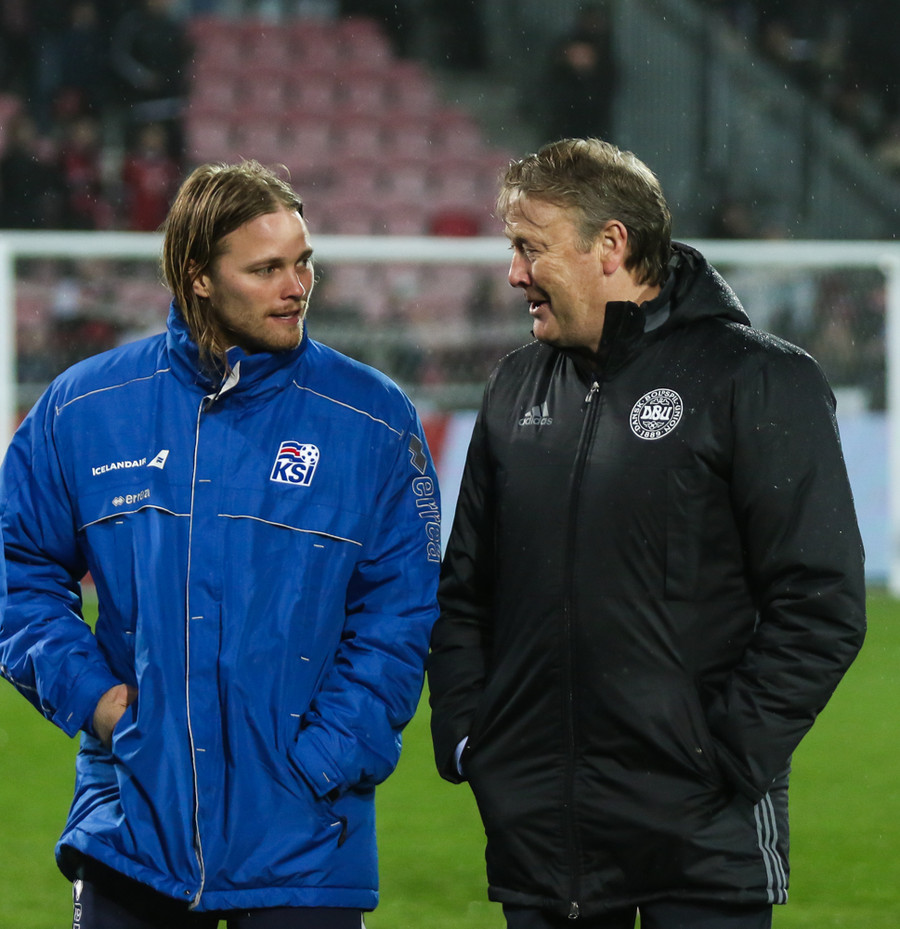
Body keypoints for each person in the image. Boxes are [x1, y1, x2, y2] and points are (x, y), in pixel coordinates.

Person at [428, 137, 866, 929]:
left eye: (530, 247)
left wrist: (725, 755)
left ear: (611, 244)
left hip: (702, 842)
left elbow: (819, 599)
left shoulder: (757, 377)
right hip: (541, 840)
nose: (514, 273)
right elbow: (465, 591)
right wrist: (469, 736)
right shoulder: (515, 386)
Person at [0, 159, 441, 927]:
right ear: (198, 277)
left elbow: (402, 611)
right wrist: (98, 702)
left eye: (303, 261)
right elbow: (17, 572)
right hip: (132, 827)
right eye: (266, 268)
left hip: (308, 837)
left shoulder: (373, 418)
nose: (297, 286)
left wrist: (328, 756)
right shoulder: (85, 407)